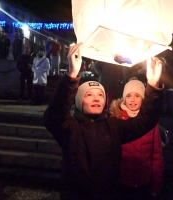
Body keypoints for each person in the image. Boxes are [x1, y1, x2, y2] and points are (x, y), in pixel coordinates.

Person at [43, 43, 163, 199]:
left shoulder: (113, 126)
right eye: (89, 95)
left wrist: (152, 87)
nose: (96, 98)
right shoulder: (70, 127)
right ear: (79, 102)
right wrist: (71, 76)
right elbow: (54, 116)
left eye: (100, 95)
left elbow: (145, 122)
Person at [109, 77, 164, 200]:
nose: (132, 100)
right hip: (120, 182)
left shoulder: (151, 123)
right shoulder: (115, 120)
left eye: (137, 96)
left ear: (143, 98)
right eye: (128, 95)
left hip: (143, 183)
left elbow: (156, 157)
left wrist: (156, 186)